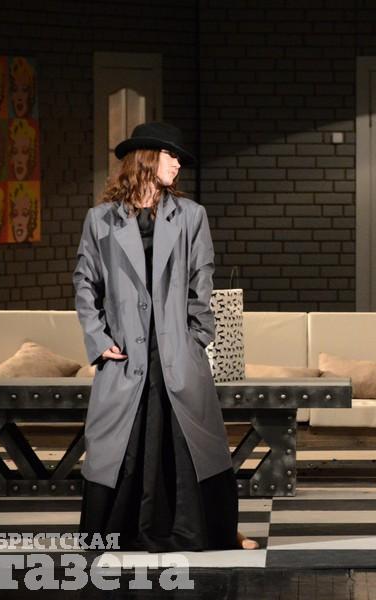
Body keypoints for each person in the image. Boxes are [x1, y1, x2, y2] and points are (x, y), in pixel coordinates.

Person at [74, 121, 257, 552]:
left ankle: (212, 531)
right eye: (170, 155)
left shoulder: (191, 216)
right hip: (124, 352)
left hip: (177, 349)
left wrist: (197, 337)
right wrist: (98, 339)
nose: (177, 164)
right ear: (146, 158)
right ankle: (119, 532)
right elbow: (85, 282)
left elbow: (201, 280)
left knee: (189, 442)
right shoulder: (101, 220)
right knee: (123, 443)